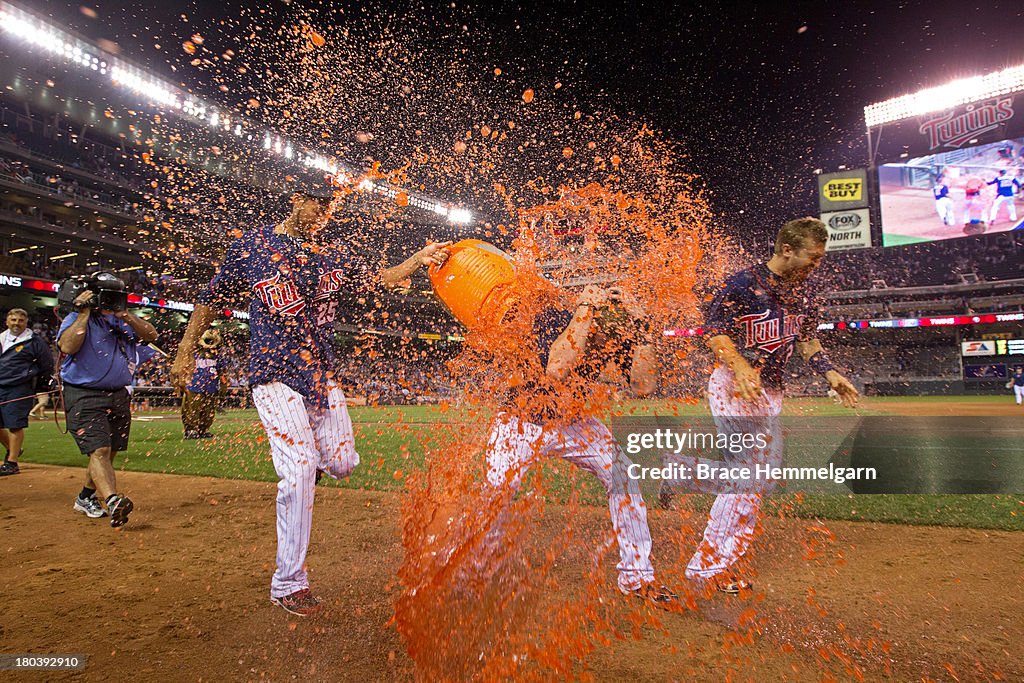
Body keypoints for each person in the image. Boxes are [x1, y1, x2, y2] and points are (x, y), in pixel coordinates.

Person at [170, 187, 450, 617]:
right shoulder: (255, 245)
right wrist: (186, 349)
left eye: (329, 206)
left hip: (320, 377)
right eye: (317, 203)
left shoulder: (332, 255)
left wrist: (420, 257)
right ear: (296, 199)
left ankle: (304, 466)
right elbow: (211, 299)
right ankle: (288, 583)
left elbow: (384, 277)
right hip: (274, 374)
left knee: (341, 463)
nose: (323, 212)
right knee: (300, 468)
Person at [674, 217, 859, 594]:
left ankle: (683, 473)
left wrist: (830, 374)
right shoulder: (744, 283)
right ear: (787, 250)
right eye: (813, 257)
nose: (817, 265)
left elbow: (807, 341)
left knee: (759, 481)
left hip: (771, 391)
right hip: (734, 387)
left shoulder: (807, 293)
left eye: (821, 258)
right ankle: (707, 568)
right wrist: (740, 366)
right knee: (747, 476)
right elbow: (714, 330)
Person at [477, 282, 674, 602]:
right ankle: (477, 569)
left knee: (623, 474)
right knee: (499, 491)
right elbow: (556, 369)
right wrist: (584, 310)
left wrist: (644, 330)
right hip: (521, 420)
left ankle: (638, 576)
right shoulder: (558, 316)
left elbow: (644, 385)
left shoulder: (619, 335)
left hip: (573, 422)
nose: (611, 330)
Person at [57, 272, 159, 525]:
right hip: (84, 393)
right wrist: (83, 313)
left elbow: (151, 336)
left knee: (109, 451)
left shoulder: (121, 321)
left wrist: (125, 314)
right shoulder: (75, 318)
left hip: (118, 393)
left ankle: (85, 497)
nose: (110, 301)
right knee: (99, 449)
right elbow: (68, 347)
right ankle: (113, 501)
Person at [0, 308, 54, 476]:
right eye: (13, 320)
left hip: (19, 386)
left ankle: (12, 462)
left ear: (26, 322)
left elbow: (46, 365)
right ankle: (13, 449)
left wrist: (42, 388)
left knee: (15, 425)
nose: (16, 323)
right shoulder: (1, 338)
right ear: (7, 322)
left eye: (20, 320)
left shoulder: (35, 342)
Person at [181, 329, 229, 439]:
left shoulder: (218, 356)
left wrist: (223, 387)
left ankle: (203, 428)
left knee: (209, 410)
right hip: (194, 387)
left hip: (211, 387)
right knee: (192, 409)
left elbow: (222, 372)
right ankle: (191, 429)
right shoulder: (193, 354)